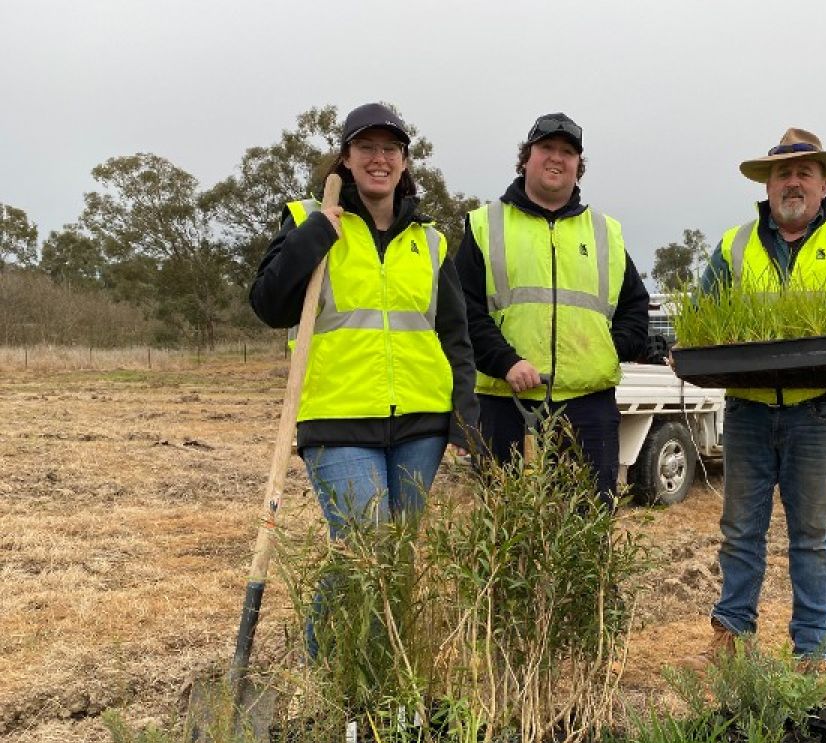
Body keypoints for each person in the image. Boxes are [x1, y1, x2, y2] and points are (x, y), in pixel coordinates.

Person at [695, 127, 826, 666]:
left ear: (823, 184)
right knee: (741, 530)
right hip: (748, 409)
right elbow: (701, 316)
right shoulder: (734, 244)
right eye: (782, 173)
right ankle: (732, 640)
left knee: (810, 536)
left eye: (804, 173)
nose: (793, 182)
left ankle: (811, 652)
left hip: (817, 411)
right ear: (768, 186)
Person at [249, 101, 479, 541]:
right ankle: (325, 616)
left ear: (404, 162)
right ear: (347, 158)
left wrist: (463, 417)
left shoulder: (428, 241)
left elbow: (455, 337)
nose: (380, 159)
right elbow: (269, 307)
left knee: (397, 556)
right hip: (338, 418)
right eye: (367, 147)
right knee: (363, 548)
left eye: (391, 149)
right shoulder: (307, 220)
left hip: (421, 420)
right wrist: (313, 236)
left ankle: (388, 616)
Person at [454, 113, 649, 500]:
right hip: (505, 407)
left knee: (586, 531)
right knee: (507, 535)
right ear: (526, 157)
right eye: (546, 148)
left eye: (567, 152)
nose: (556, 158)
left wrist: (609, 349)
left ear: (579, 166)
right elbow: (463, 312)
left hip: (588, 410)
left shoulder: (604, 232)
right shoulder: (485, 225)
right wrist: (506, 362)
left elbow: (635, 308)